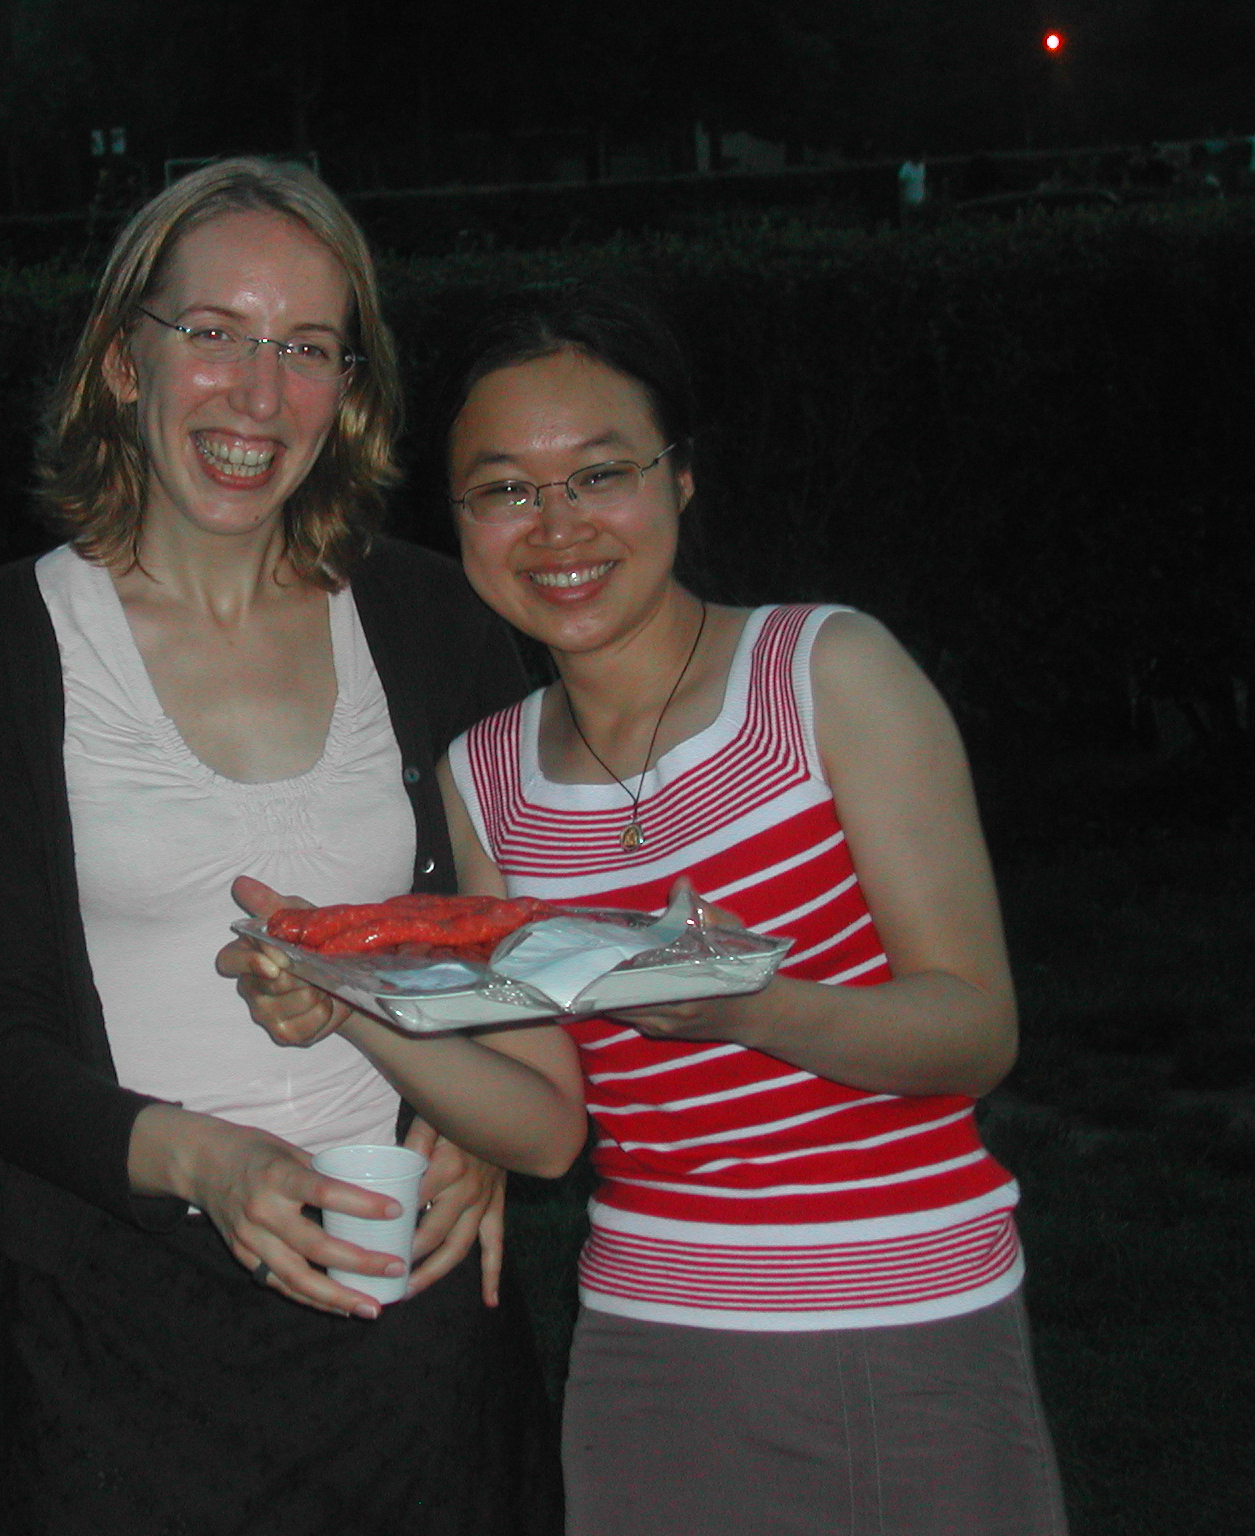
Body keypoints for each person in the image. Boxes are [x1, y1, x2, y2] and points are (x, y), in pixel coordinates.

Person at [226, 284, 1069, 1535]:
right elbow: (544, 1129)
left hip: (896, 1318)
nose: (555, 526)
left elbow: (971, 1029)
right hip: (645, 1353)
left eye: (600, 472)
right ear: (457, 521)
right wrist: (346, 996)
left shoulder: (824, 677)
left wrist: (748, 1007)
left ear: (678, 477)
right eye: (502, 489)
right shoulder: (485, 778)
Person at [0, 159, 562, 1535]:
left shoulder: (433, 625)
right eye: (214, 333)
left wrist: (482, 1123)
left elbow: (519, 949)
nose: (259, 396)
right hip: (121, 1337)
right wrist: (206, 1161)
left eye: (307, 348)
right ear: (122, 358)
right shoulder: (1, 653)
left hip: (409, 1309)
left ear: (348, 390)